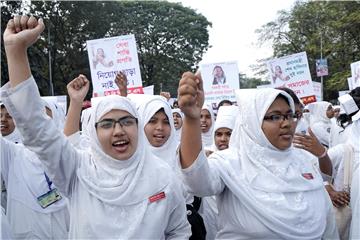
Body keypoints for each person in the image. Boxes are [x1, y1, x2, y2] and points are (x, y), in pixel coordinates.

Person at [1, 15, 190, 239]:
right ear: (93, 131)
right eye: (107, 124)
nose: (118, 130)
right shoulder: (77, 170)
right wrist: (15, 51)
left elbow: (178, 231)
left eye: (127, 121)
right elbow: (36, 127)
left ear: (138, 128)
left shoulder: (164, 178)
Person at [177, 71, 338, 239]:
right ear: (251, 122)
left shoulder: (304, 162)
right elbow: (197, 182)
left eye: (290, 116)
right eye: (275, 117)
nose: (287, 124)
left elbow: (328, 227)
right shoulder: (230, 163)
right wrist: (191, 118)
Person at [1, 104, 70, 239]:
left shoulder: (67, 156)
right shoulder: (12, 153)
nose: (39, 125)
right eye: (34, 119)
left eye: (46, 120)